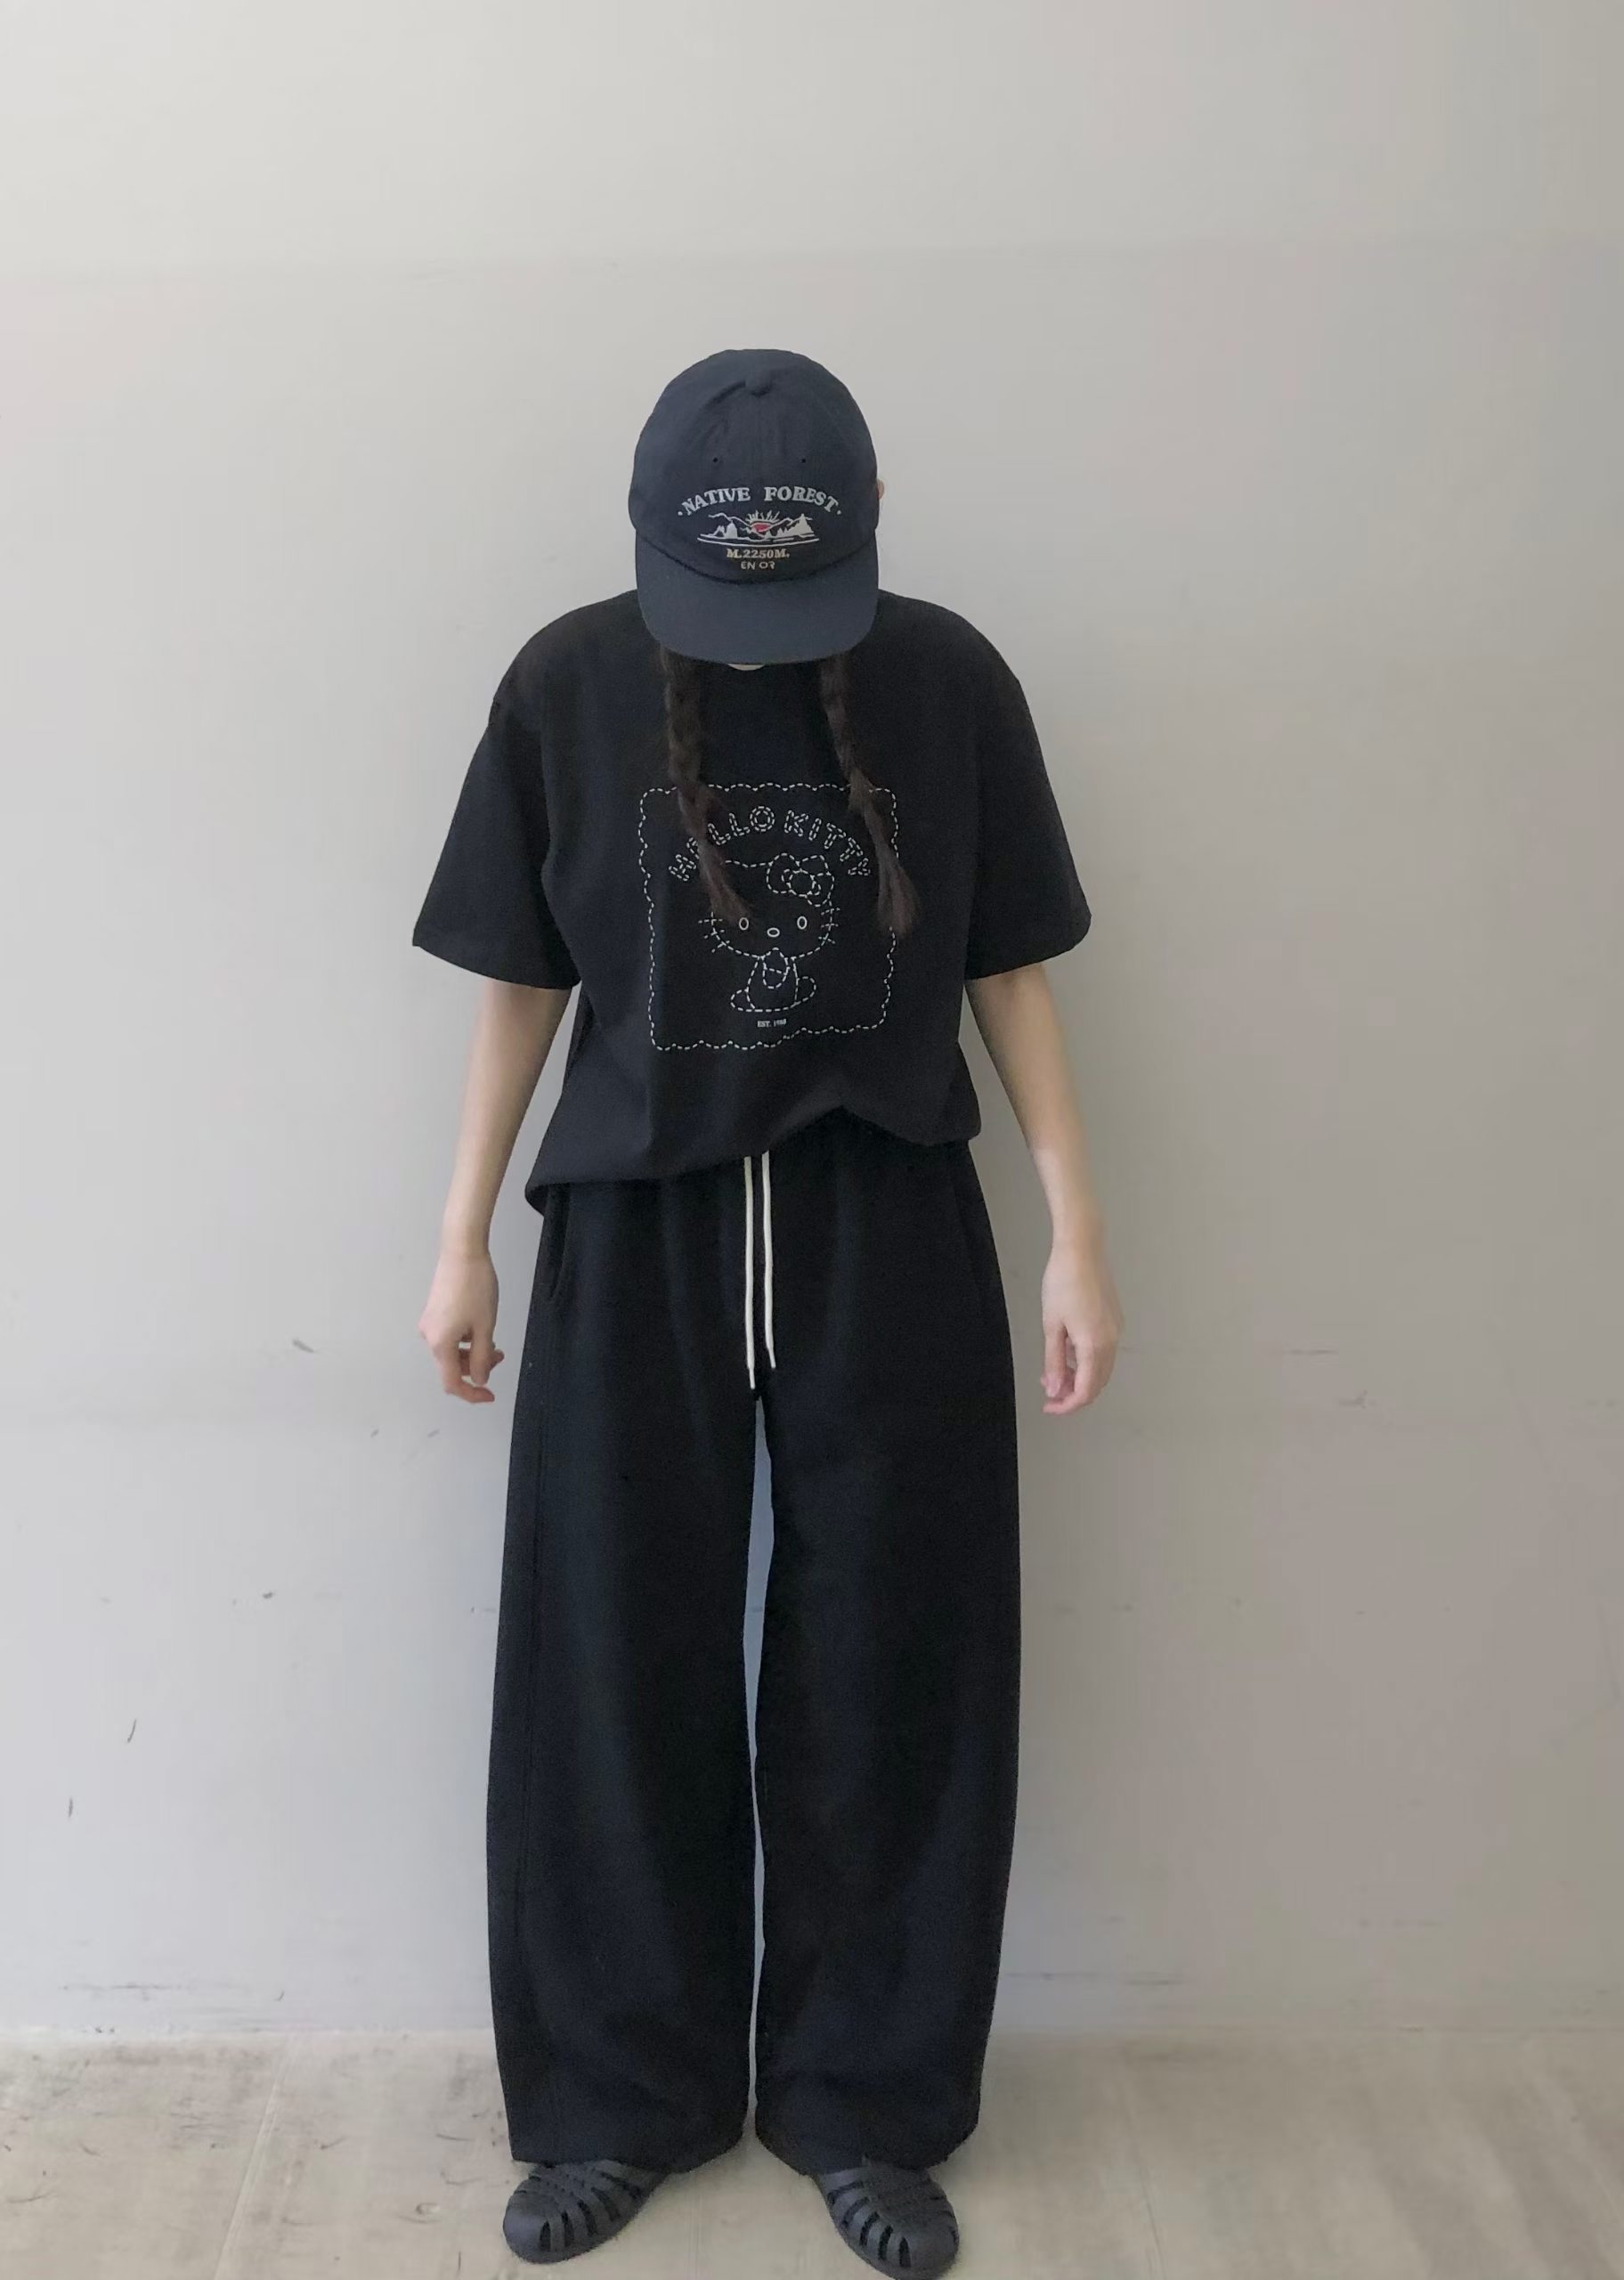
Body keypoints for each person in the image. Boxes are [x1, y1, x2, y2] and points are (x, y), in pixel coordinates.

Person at [411, 347, 1123, 2273]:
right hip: (633, 1224)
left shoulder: (946, 680)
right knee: (606, 1661)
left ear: (868, 529)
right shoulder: (566, 683)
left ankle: (865, 2100)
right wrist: (464, 1233)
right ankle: (616, 2096)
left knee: (900, 1663)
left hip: (886, 1218)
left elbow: (1010, 964)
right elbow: (522, 977)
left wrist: (1075, 1228)